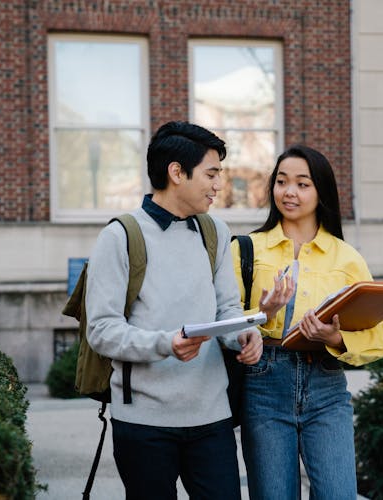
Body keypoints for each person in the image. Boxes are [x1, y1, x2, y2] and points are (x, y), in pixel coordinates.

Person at [85, 120, 263, 499]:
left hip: (212, 418)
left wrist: (243, 335)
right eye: (211, 174)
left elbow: (227, 309)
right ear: (177, 172)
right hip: (143, 422)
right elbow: (101, 330)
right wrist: (166, 343)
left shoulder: (214, 230)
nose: (219, 185)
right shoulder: (119, 236)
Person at [231, 144, 383, 499]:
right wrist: (264, 315)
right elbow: (222, 321)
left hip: (327, 388)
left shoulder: (346, 257)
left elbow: (378, 337)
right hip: (264, 389)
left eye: (303, 184)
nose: (289, 192)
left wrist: (335, 338)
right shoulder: (246, 249)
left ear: (321, 191)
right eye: (282, 181)